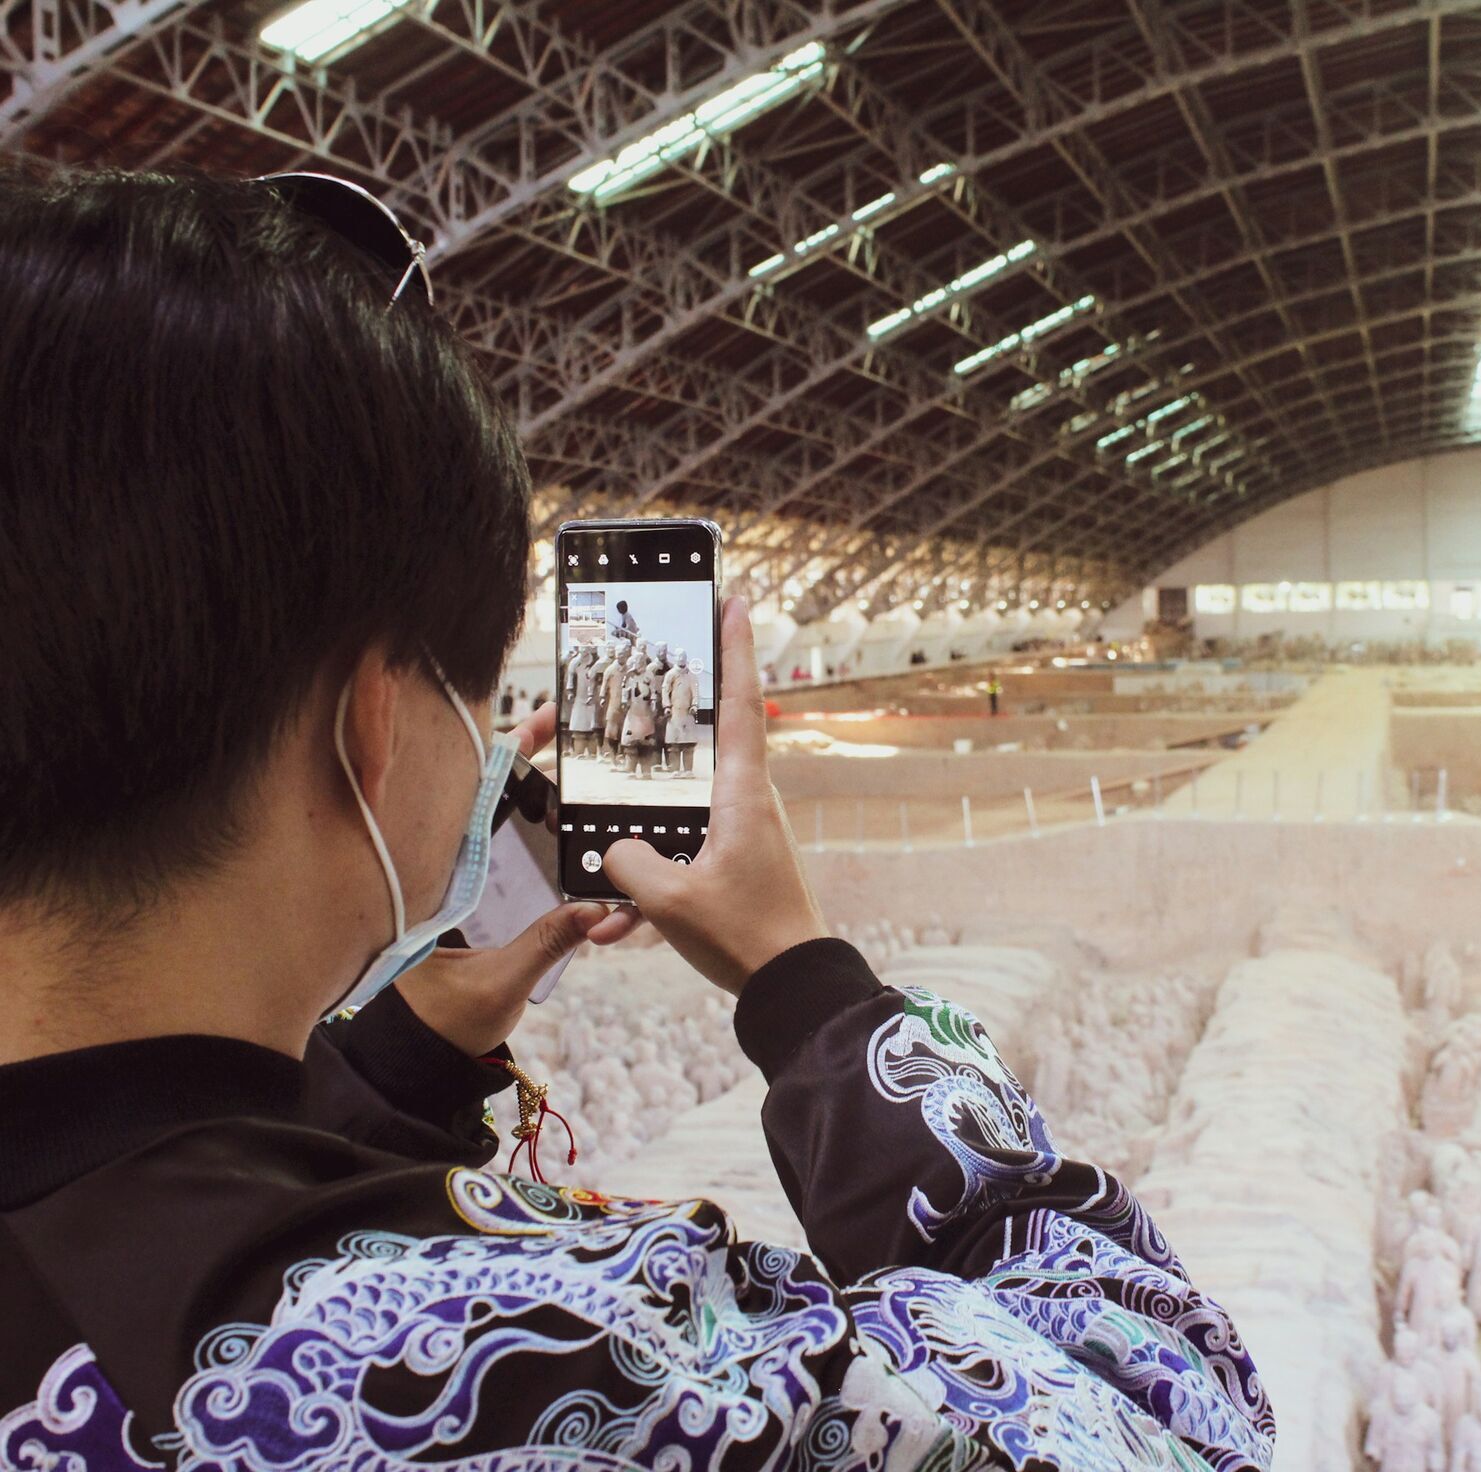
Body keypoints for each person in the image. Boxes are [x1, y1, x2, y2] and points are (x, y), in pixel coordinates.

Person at [0, 168, 1272, 1468]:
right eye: (480, 693)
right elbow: (1172, 1415)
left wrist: (378, 1083)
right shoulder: (524, 1365)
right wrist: (809, 987)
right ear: (372, 733)